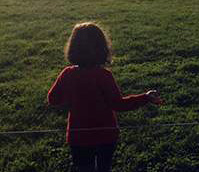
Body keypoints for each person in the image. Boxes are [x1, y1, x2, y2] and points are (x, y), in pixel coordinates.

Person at [48, 22, 164, 172]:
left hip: (79, 137)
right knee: (104, 168)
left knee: (84, 168)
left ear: (73, 48)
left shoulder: (67, 74)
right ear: (102, 49)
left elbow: (53, 99)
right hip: (106, 135)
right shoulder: (104, 76)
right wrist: (145, 97)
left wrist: (73, 96)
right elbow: (119, 104)